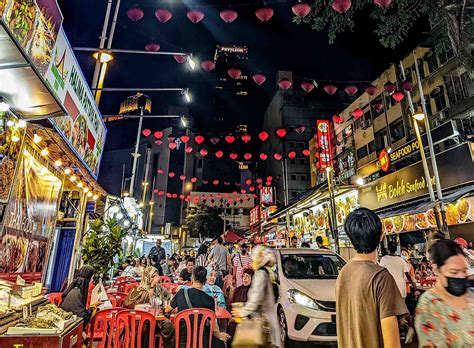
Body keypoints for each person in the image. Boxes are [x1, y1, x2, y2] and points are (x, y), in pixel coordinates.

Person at [336, 208, 408, 348]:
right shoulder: (381, 277)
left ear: (351, 239)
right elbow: (392, 343)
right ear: (381, 235)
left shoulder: (343, 273)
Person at [415, 239, 473, 347]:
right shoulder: (430, 303)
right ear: (437, 269)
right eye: (454, 272)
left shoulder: (470, 293)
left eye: (464, 271)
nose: (461, 276)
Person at [166, 266, 230, 348]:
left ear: (192, 278)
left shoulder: (181, 293)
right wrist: (219, 335)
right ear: (205, 281)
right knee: (220, 344)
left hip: (181, 342)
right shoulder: (210, 300)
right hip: (203, 343)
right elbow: (214, 327)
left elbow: (167, 310)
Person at [232, 245, 281, 347]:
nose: (251, 261)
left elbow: (255, 299)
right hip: (270, 321)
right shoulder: (270, 272)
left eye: (253, 258)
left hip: (263, 324)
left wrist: (242, 312)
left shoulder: (260, 273)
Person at [227, 268, 254, 342]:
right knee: (231, 327)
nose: (245, 278)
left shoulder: (254, 291)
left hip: (250, 319)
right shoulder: (237, 290)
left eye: (247, 276)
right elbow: (231, 305)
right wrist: (231, 316)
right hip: (237, 319)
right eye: (243, 276)